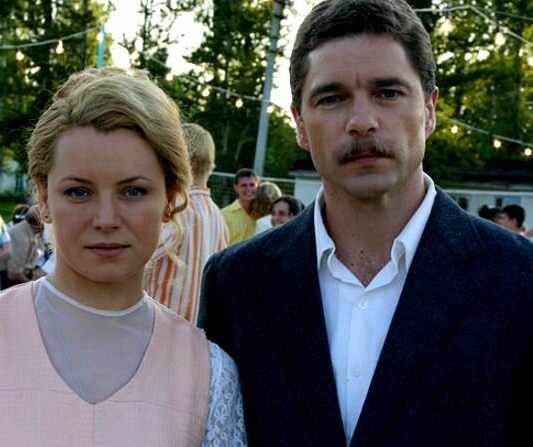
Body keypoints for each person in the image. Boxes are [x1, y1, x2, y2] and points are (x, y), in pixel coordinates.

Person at [198, 1, 533, 445]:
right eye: (332, 98)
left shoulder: (519, 279)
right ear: (299, 124)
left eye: (387, 93)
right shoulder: (236, 283)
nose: (362, 121)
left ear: (430, 110)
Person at [0, 67, 246, 446]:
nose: (106, 219)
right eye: (78, 192)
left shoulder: (208, 374)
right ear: (44, 197)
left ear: (171, 198)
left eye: (133, 191)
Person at [146, 122, 230, 324]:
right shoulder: (218, 217)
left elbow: (140, 258)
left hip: (159, 322)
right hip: (194, 327)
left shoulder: (176, 208)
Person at [6, 205, 47, 286]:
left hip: (25, 274)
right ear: (39, 226)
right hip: (11, 281)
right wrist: (32, 285)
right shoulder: (20, 236)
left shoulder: (33, 232)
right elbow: (13, 274)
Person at [221, 168, 259, 244]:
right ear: (236, 188)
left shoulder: (261, 215)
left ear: (258, 186)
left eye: (252, 185)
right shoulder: (224, 215)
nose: (248, 189)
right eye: (244, 185)